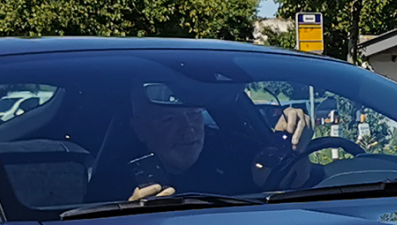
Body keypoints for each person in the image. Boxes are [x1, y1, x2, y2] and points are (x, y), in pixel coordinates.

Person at [119, 80, 316, 201]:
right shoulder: (112, 177)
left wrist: (291, 145)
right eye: (169, 120)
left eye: (195, 115)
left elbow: (289, 183)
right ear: (140, 128)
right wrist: (129, 213)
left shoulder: (233, 151)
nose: (188, 130)